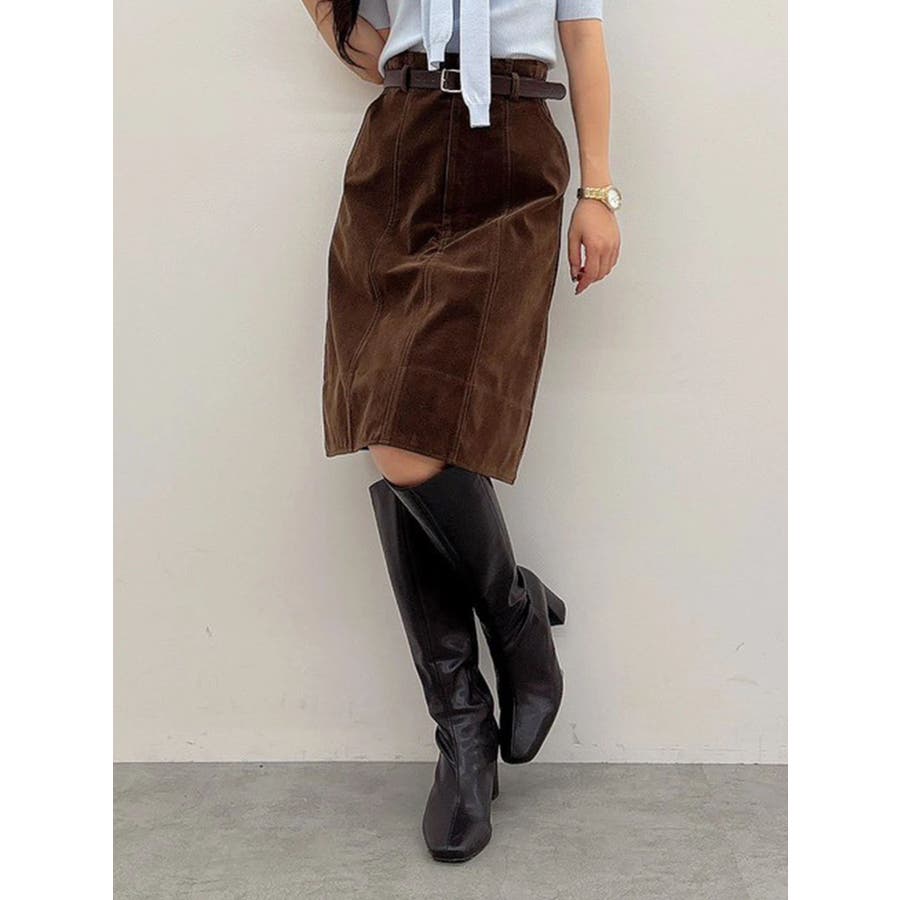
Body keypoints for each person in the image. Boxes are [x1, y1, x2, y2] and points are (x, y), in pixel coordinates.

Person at [302, 0, 621, 863]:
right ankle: (469, 721)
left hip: (513, 145)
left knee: (415, 436)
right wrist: (366, 46)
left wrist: (598, 193)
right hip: (398, 149)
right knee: (392, 430)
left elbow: (582, 34)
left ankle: (508, 638)